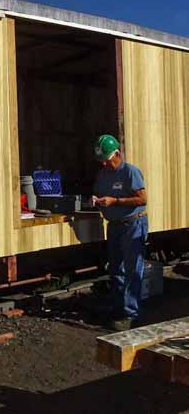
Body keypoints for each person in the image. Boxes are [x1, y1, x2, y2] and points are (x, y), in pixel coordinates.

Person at [92, 134, 148, 332]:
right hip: (114, 225)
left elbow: (142, 199)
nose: (105, 162)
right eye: (102, 159)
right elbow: (99, 194)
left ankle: (131, 315)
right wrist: (96, 200)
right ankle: (118, 309)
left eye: (107, 158)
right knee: (116, 269)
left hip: (133, 223)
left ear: (117, 153)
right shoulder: (103, 174)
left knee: (133, 269)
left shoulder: (130, 172)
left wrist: (115, 201)